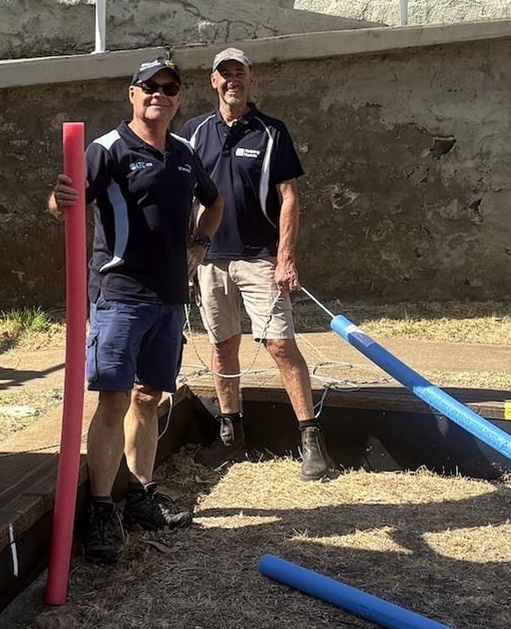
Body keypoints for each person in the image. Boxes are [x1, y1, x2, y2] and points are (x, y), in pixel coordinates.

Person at [48, 56, 223, 564]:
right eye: (150, 86)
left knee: (149, 397)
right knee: (114, 400)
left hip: (169, 297)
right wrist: (59, 199)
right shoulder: (108, 149)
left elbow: (214, 203)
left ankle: (141, 495)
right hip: (120, 295)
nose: (158, 95)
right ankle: (102, 508)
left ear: (178, 98)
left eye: (169, 88)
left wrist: (200, 245)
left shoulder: (184, 153)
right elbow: (64, 203)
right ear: (132, 93)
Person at [181, 47, 330, 481]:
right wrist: (186, 255)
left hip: (260, 259)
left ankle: (310, 437)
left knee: (280, 345)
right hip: (209, 260)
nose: (232, 80)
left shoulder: (271, 131)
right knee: (222, 345)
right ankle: (231, 433)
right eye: (224, 74)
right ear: (213, 81)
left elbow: (289, 198)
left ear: (251, 79)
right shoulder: (193, 132)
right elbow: (182, 196)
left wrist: (286, 258)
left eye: (239, 73)